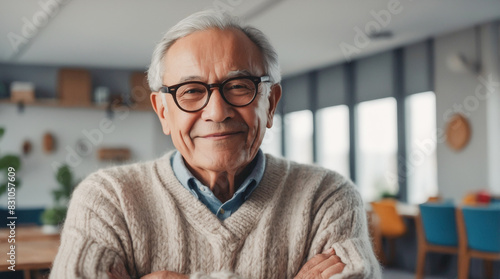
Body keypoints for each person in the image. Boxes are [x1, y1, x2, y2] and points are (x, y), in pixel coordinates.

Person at [50, 10, 381, 279]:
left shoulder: (327, 197)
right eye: (191, 90)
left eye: (238, 85)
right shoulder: (108, 200)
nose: (217, 111)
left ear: (271, 102)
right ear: (163, 112)